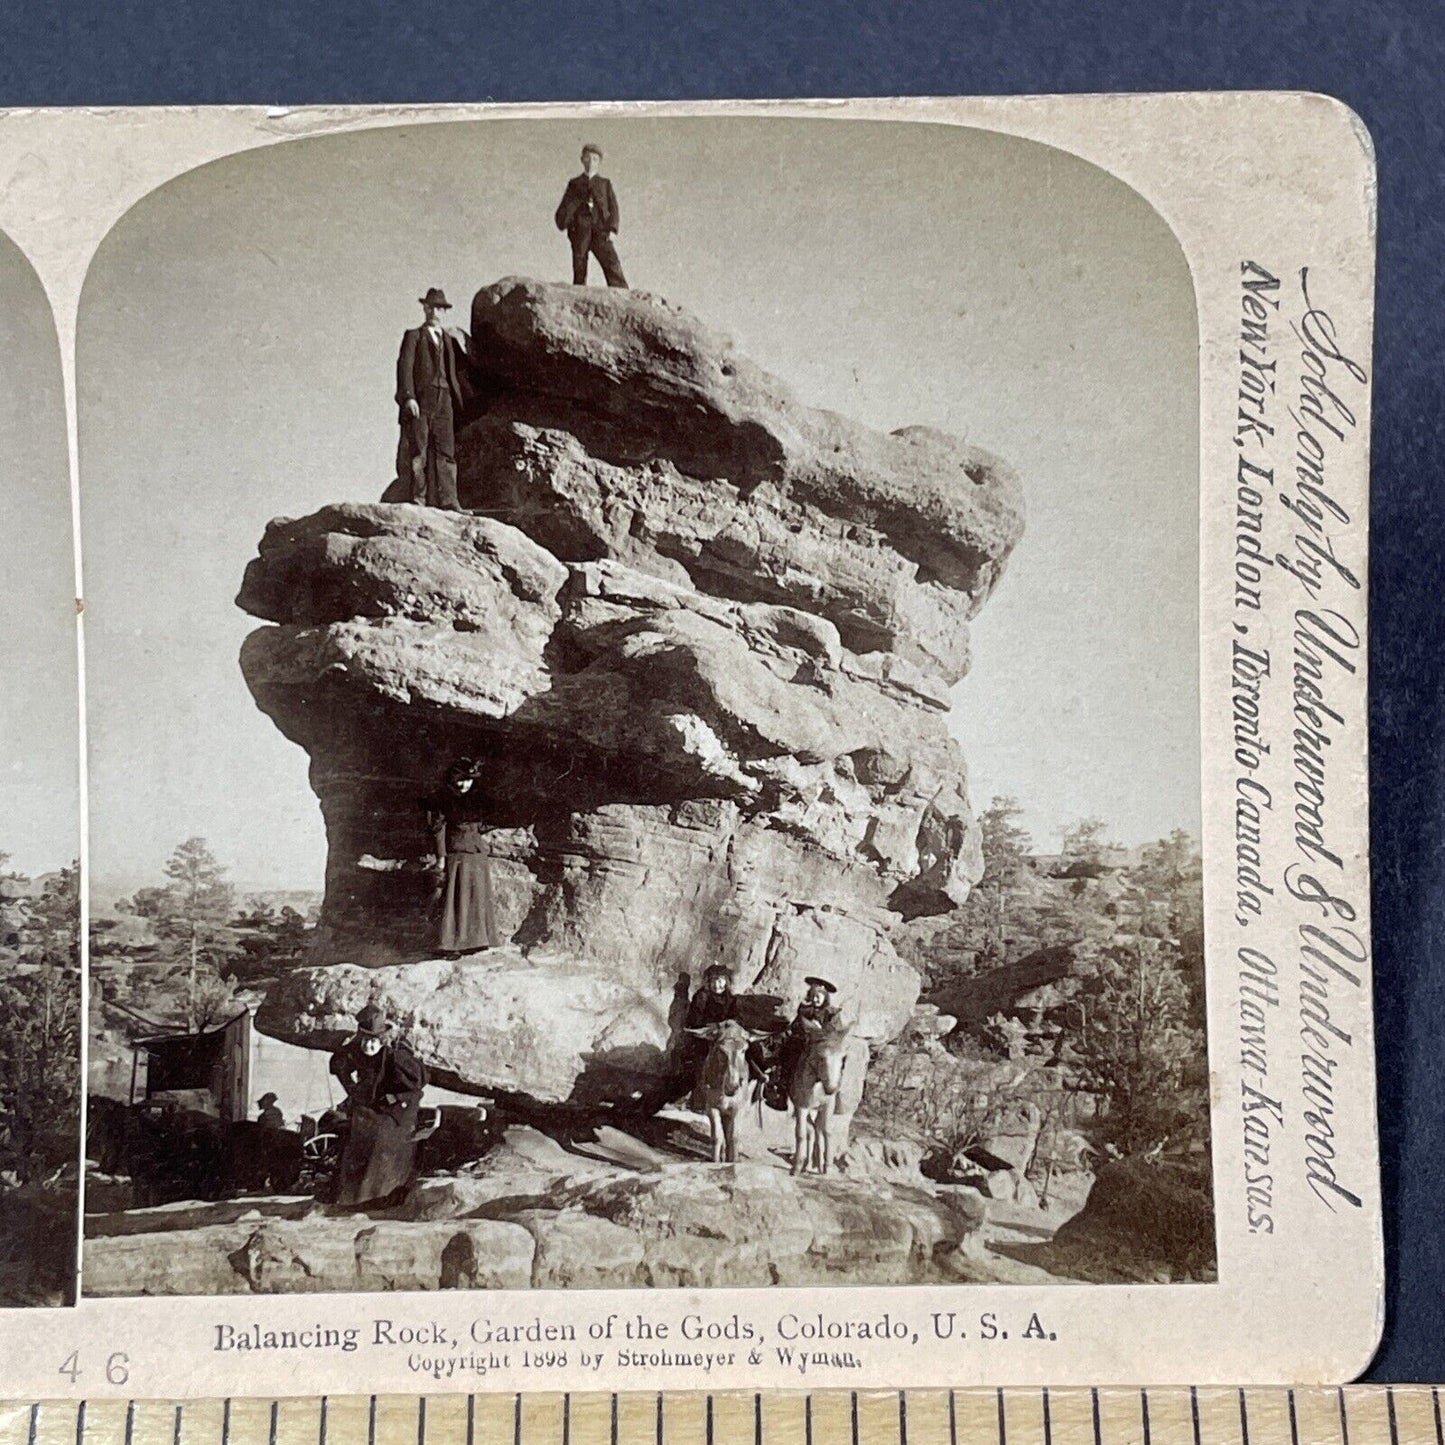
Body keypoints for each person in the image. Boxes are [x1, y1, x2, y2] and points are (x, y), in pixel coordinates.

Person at [326, 1003, 427, 1209]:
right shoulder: (356, 1052)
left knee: (379, 1137)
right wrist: (352, 1090)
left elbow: (416, 1086)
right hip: (373, 1109)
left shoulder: (396, 1057)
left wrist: (394, 1098)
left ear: (382, 1040)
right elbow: (339, 1065)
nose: (368, 1046)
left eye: (373, 1041)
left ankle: (376, 1196)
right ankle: (348, 1196)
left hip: (398, 1112)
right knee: (355, 1129)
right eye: (364, 1040)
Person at [395, 288, 466, 509]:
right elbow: (404, 368)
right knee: (419, 449)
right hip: (422, 400)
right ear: (425, 309)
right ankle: (419, 498)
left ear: (444, 312)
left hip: (445, 399)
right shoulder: (414, 336)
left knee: (446, 451)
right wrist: (409, 398)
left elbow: (456, 372)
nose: (435, 312)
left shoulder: (448, 340)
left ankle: (449, 501)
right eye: (432, 307)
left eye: (440, 308)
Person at [424, 758, 502, 955]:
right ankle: (450, 945)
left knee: (476, 899)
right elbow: (438, 831)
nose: (465, 784)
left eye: (469, 780)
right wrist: (441, 857)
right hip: (457, 857)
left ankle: (475, 942)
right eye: (461, 780)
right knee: (454, 901)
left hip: (476, 856)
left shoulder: (474, 798)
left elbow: (480, 825)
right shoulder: (442, 800)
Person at [554, 145, 628, 288]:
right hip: (580, 229)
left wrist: (613, 229)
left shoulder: (605, 184)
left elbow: (614, 208)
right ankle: (579, 293)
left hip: (601, 229)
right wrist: (568, 224)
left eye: (595, 159)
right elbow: (565, 207)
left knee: (611, 262)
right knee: (579, 264)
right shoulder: (574, 184)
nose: (591, 162)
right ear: (582, 160)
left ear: (599, 162)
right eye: (587, 158)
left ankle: (622, 292)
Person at [772, 976, 842, 1106]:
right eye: (813, 995)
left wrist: (820, 1028)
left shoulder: (832, 1013)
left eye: (819, 996)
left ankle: (837, 1092)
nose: (816, 999)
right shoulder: (804, 1010)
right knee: (788, 1053)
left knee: (836, 1060)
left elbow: (835, 1032)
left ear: (825, 996)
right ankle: (782, 1091)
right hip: (804, 1043)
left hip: (823, 1045)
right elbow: (795, 1026)